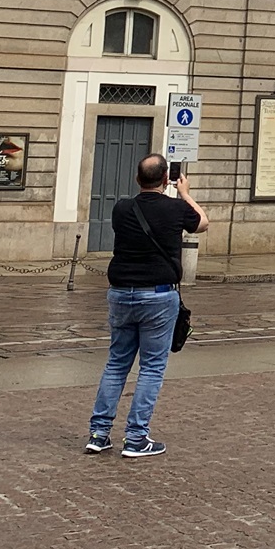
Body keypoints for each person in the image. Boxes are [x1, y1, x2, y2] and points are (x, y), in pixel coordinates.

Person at [85, 153, 207, 458]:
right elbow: (203, 223)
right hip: (158, 295)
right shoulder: (176, 208)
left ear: (138, 180)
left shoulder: (121, 208)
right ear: (166, 179)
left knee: (116, 363)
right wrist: (185, 193)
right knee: (152, 367)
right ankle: (137, 438)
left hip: (120, 292)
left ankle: (99, 434)